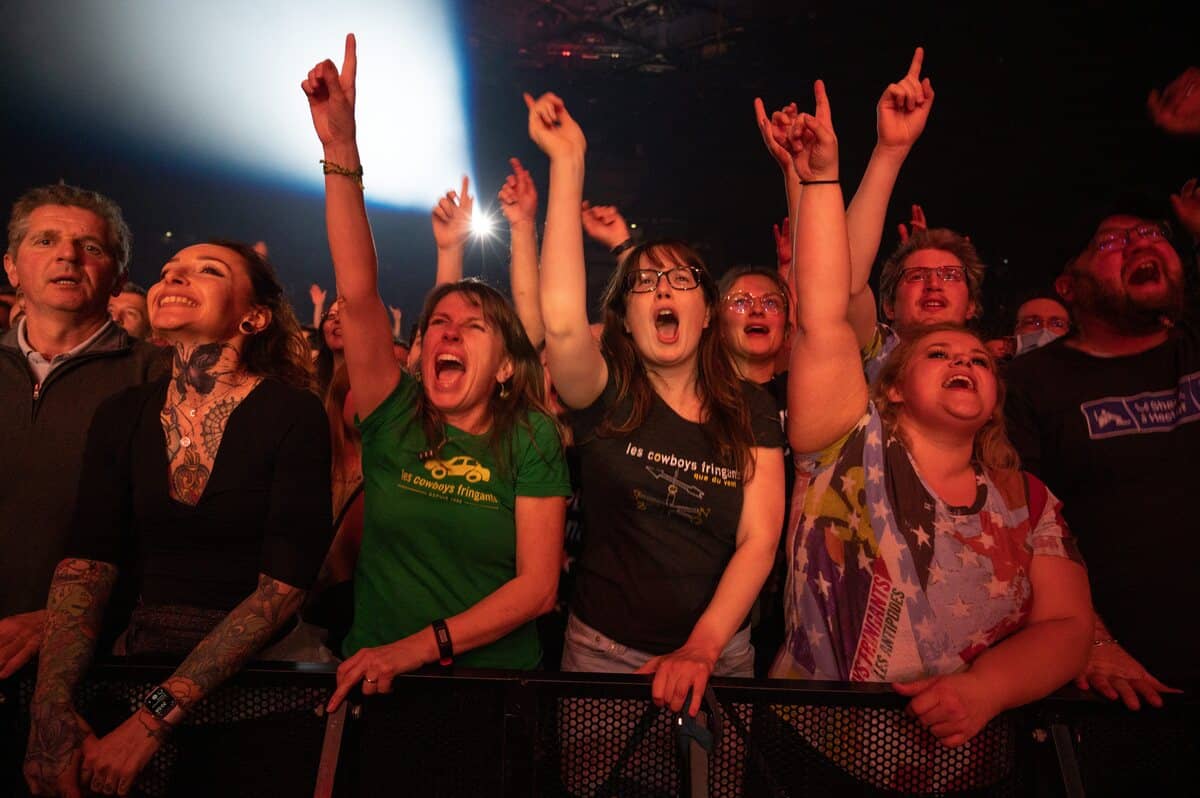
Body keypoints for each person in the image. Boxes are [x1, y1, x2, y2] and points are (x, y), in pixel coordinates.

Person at [770, 79, 1091, 788]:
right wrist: (821, 178)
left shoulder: (1027, 499)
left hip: (969, 769)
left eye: (976, 356)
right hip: (822, 758)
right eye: (938, 355)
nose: (961, 362)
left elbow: (1069, 627)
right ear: (889, 378)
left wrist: (986, 690)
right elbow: (825, 310)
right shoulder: (850, 442)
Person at [302, 36, 571, 714]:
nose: (450, 332)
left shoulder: (531, 435)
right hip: (372, 677)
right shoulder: (392, 413)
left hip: (490, 694)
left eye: (474, 326)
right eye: (441, 323)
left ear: (508, 365)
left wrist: (417, 648)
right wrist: (342, 153)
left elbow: (539, 589)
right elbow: (358, 294)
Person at [23, 239, 331, 796]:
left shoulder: (293, 413)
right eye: (169, 272)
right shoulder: (121, 414)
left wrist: (151, 722)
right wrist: (51, 712)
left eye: (206, 271)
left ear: (253, 316)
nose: (175, 279)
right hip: (133, 671)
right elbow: (87, 566)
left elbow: (282, 590)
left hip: (256, 693)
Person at [529, 89, 785, 714]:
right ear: (626, 316)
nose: (660, 288)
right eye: (643, 283)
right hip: (601, 654)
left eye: (679, 279)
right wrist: (568, 163)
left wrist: (701, 648)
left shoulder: (748, 408)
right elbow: (562, 325)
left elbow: (759, 538)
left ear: (704, 316)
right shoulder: (603, 395)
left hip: (719, 656)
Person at [1005, 210, 1197, 701]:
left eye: (1153, 234)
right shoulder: (1029, 385)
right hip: (1123, 684)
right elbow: (1024, 524)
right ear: (1069, 286)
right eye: (1111, 241)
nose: (1138, 244)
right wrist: (1090, 639)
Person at [0, 184, 163, 681]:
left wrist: (71, 619)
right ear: (11, 267)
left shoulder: (162, 379)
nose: (68, 255)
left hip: (103, 666)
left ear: (120, 277)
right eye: (45, 241)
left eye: (91, 247)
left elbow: (181, 535)